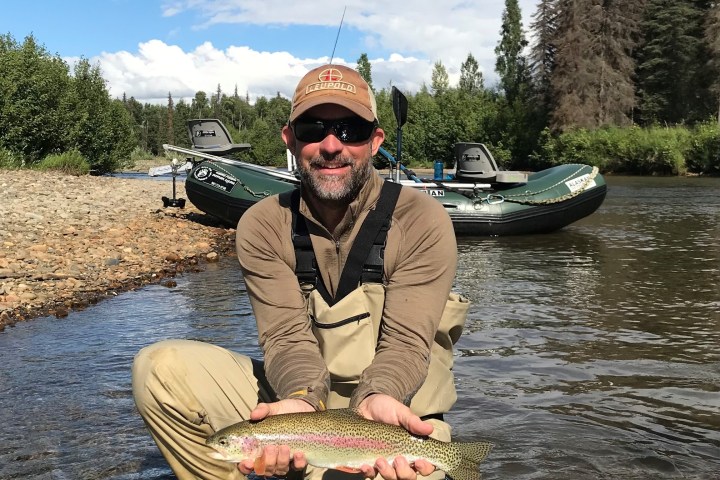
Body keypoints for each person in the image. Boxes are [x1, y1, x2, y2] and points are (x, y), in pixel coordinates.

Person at [132, 64, 469, 480]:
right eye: (312, 128)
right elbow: (285, 337)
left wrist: (378, 396)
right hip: (303, 412)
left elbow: (406, 344)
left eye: (350, 129)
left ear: (375, 140)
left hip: (396, 416)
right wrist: (300, 400)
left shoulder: (422, 220)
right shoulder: (262, 224)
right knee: (159, 369)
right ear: (290, 139)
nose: (331, 145)